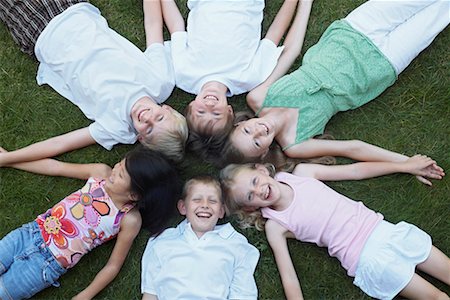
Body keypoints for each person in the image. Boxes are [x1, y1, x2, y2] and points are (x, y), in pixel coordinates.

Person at [224, 0, 450, 168]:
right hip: (379, 66)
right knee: (440, 13)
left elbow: (291, 51)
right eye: (256, 143)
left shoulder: (258, 98)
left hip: (351, 33)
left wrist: (306, 3)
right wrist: (406, 162)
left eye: (246, 131)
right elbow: (353, 147)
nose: (257, 133)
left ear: (239, 124)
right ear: (264, 154)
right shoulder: (295, 144)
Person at [219, 156, 448, 299]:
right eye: (251, 196)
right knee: (436, 297)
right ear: (250, 208)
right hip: (366, 259)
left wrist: (405, 166)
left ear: (261, 170)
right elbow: (288, 275)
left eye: (255, 181)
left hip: (384, 230)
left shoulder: (302, 174)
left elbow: (355, 171)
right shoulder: (276, 226)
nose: (259, 190)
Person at [0, 0, 188, 163]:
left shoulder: (116, 128)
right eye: (159, 118)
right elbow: (153, 24)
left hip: (39, 32)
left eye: (148, 130)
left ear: (140, 139)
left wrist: (8, 158)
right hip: (74, 10)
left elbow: (61, 143)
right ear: (167, 109)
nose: (147, 119)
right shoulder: (160, 81)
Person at [0, 146, 181, 299]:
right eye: (121, 163)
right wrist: (8, 159)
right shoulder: (100, 173)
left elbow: (113, 265)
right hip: (29, 233)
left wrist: (85, 296)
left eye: (122, 175)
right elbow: (57, 167)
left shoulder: (129, 219)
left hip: (46, 264)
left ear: (133, 195)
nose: (115, 169)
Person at [159, 0, 314, 149]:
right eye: (217, 114)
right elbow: (274, 34)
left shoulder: (183, 74)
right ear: (229, 111)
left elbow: (176, 27)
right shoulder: (249, 78)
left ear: (191, 106)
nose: (210, 105)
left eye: (201, 112)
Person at [141, 176, 260, 300]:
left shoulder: (236, 244)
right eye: (197, 200)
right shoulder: (162, 241)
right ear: (183, 207)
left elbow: (242, 294)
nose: (205, 205)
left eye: (212, 201)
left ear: (221, 211)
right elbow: (150, 292)